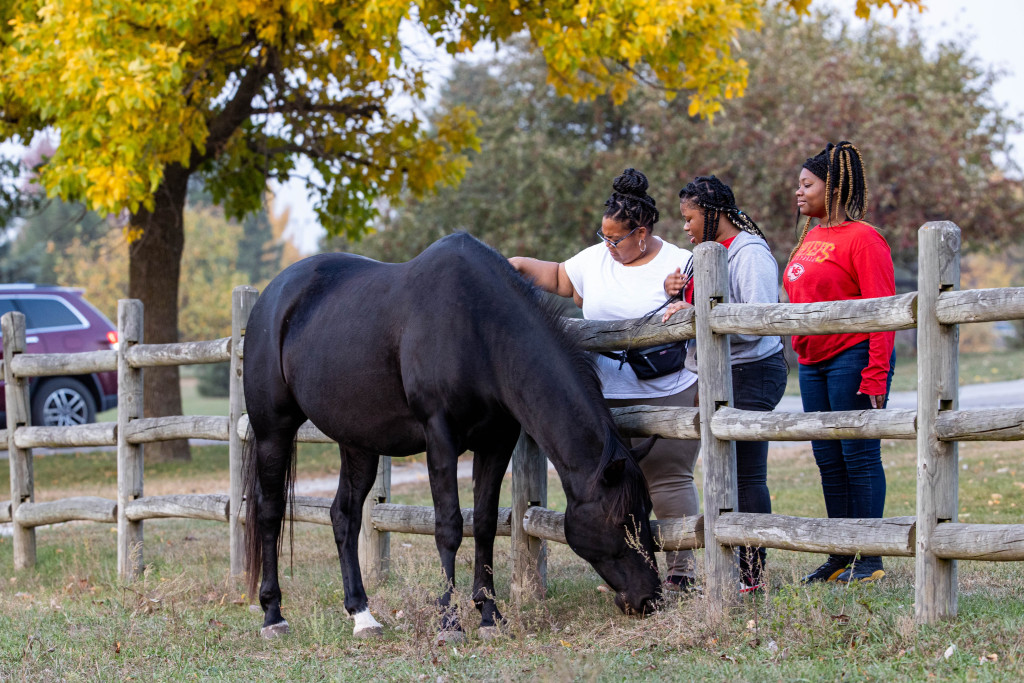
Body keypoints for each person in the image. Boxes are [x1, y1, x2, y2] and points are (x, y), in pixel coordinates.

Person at [509, 168, 702, 592]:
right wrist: (515, 267)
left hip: (665, 391)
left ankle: (682, 571)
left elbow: (699, 312)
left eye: (616, 239)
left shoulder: (679, 263)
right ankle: (634, 568)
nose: (608, 246)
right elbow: (560, 277)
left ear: (642, 232)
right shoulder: (596, 260)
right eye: (603, 237)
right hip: (606, 398)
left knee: (667, 478)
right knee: (618, 494)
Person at [660, 175, 787, 593]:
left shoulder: (748, 253)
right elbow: (701, 306)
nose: (686, 227)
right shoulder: (705, 254)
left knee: (746, 474)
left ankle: (753, 572)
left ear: (713, 213)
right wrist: (675, 295)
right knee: (720, 471)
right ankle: (730, 563)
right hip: (715, 372)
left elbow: (756, 323)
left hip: (752, 371)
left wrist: (695, 314)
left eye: (690, 217)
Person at [783, 141, 895, 584]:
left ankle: (869, 559)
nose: (799, 192)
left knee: (859, 455)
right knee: (828, 459)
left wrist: (876, 373)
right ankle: (840, 553)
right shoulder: (810, 236)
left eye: (807, 185)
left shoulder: (864, 239)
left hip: (853, 357)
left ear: (833, 188)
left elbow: (883, 311)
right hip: (812, 361)